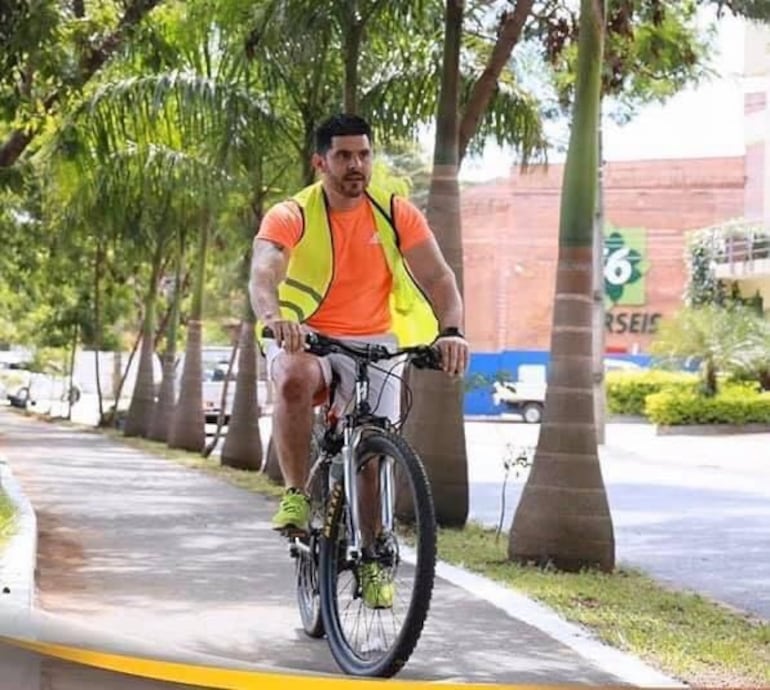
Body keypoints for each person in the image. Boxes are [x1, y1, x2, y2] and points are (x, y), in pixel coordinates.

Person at [249, 113, 468, 608]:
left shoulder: (394, 213)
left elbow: (439, 278)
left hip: (376, 341)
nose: (356, 165)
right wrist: (275, 318)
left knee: (372, 453)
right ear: (320, 161)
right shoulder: (292, 214)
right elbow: (265, 272)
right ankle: (297, 495)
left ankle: (373, 557)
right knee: (293, 376)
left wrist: (452, 332)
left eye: (364, 155)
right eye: (344, 156)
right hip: (307, 335)